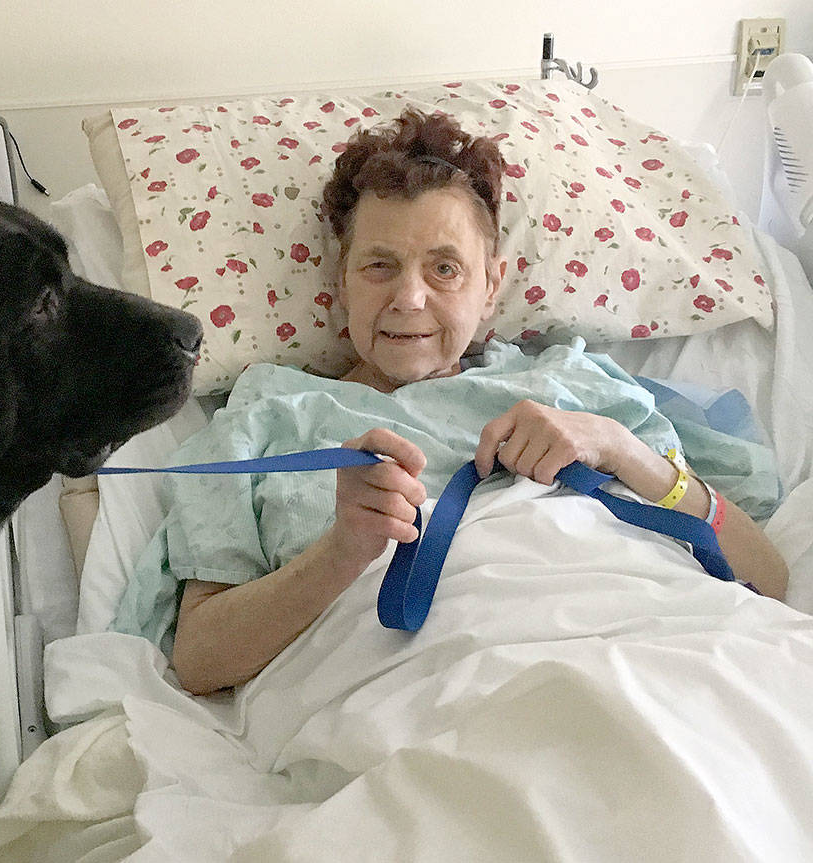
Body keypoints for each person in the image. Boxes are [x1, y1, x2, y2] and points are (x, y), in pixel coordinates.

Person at [116, 108, 789, 696]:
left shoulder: (577, 387)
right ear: (341, 282)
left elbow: (767, 577)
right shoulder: (265, 418)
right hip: (433, 694)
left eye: (444, 268)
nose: (410, 298)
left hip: (666, 654)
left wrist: (620, 448)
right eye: (379, 266)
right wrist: (344, 550)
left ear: (491, 285)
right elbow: (200, 659)